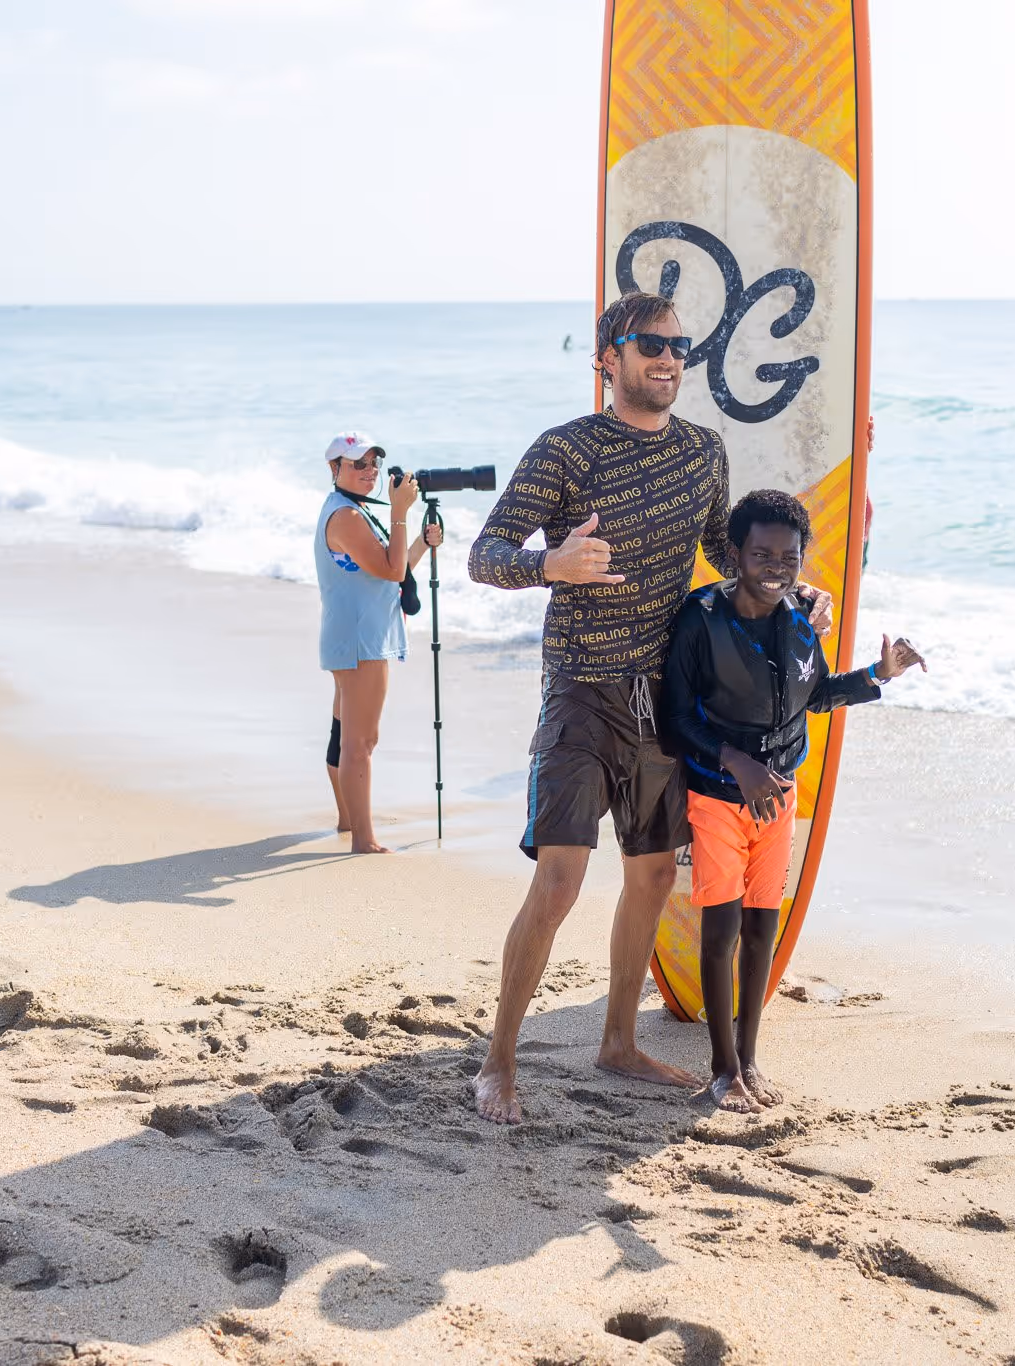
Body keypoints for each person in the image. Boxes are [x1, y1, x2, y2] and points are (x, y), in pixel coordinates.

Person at [464, 289, 834, 1125]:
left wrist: (791, 589)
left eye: (679, 345)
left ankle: (619, 1041)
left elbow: (717, 553)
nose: (669, 358)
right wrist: (549, 566)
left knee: (654, 876)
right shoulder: (565, 451)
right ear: (608, 359)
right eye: (649, 345)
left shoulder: (704, 453)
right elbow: (487, 554)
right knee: (559, 882)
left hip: (664, 698)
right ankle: (498, 1061)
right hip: (582, 690)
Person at [664, 488, 924, 1111]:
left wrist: (876, 677)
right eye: (762, 554)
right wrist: (737, 763)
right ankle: (722, 1068)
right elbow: (676, 720)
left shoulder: (802, 620)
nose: (776, 567)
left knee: (762, 930)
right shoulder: (702, 619)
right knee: (721, 930)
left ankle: (750, 1059)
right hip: (720, 798)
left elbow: (813, 696)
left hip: (779, 798)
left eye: (789, 556)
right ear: (735, 553)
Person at [315, 431, 442, 854]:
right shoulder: (347, 516)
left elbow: (391, 566)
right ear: (334, 470)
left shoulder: (350, 510)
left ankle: (349, 820)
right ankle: (363, 840)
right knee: (361, 743)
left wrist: (421, 541)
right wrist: (402, 512)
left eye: (373, 463)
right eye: (358, 464)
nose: (370, 471)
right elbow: (391, 571)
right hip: (362, 642)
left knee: (344, 735)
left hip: (353, 636)